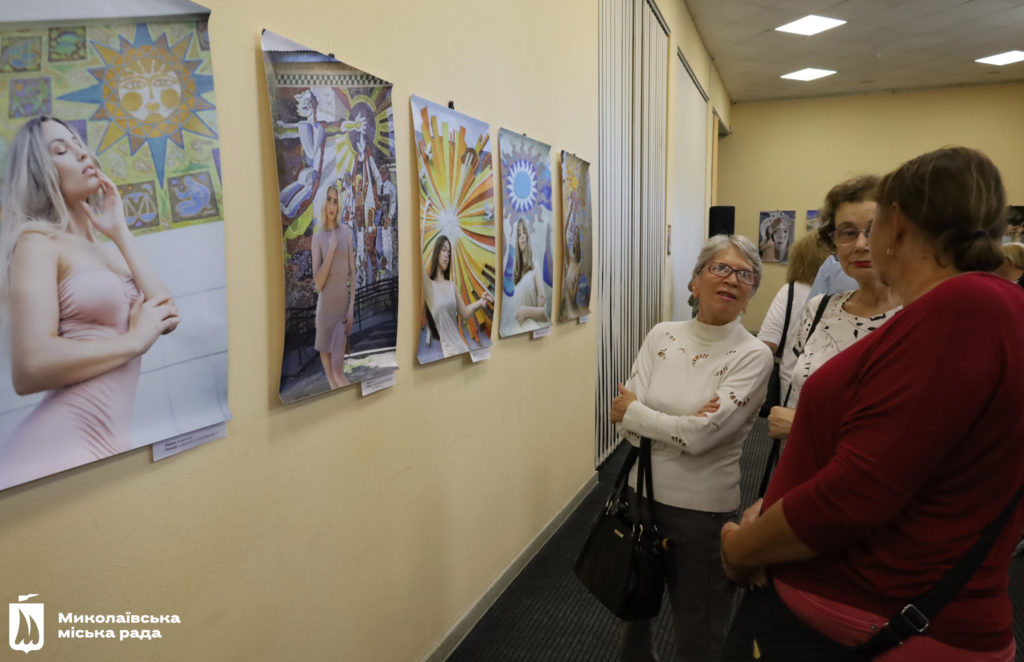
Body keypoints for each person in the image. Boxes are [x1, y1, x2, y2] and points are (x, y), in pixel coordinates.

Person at [721, 147, 1024, 661]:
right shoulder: (975, 307)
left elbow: (855, 496)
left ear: (896, 223)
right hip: (872, 602)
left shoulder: (964, 308)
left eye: (873, 221)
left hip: (867, 616)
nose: (862, 239)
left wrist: (740, 548)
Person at [609, 234, 773, 662]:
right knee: (633, 615)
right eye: (720, 267)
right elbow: (624, 427)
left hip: (703, 512)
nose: (732, 279)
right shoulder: (662, 334)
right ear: (695, 281)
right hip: (638, 493)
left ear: (752, 292)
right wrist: (678, 424)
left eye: (745, 274)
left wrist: (641, 414)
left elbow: (701, 438)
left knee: (699, 631)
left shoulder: (753, 355)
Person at [0, 116, 180, 489]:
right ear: (39, 171)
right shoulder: (37, 243)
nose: (82, 152)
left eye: (79, 143)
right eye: (61, 150)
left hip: (108, 445)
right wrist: (134, 340)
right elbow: (29, 368)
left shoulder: (107, 252)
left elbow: (167, 313)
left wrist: (120, 231)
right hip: (54, 449)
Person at [766, 175, 901, 440]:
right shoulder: (819, 309)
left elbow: (913, 430)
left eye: (874, 230)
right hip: (802, 466)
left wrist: (802, 427)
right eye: (849, 232)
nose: (861, 244)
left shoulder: (919, 316)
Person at [757, 233, 829, 399]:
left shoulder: (790, 292)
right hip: (834, 388)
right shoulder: (849, 293)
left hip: (792, 388)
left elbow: (767, 344)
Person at [311, 183, 355, 389]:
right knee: (331, 382)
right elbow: (318, 283)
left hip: (342, 313)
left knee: (338, 372)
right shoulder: (318, 238)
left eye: (335, 201)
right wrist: (331, 251)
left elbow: (353, 272)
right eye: (328, 200)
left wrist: (351, 308)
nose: (332, 205)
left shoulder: (346, 232)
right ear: (323, 203)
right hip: (324, 314)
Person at [422, 234, 493, 358]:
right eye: (443, 250)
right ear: (436, 252)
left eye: (449, 253)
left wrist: (481, 302)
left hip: (464, 351)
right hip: (450, 355)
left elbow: (465, 313)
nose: (446, 255)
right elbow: (417, 260)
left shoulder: (452, 286)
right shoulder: (429, 286)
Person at [506, 218, 547, 332]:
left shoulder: (535, 268)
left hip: (532, 331)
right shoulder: (517, 278)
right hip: (519, 332)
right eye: (519, 234)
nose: (522, 236)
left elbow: (543, 314)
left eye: (524, 233)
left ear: (528, 237)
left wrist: (525, 311)